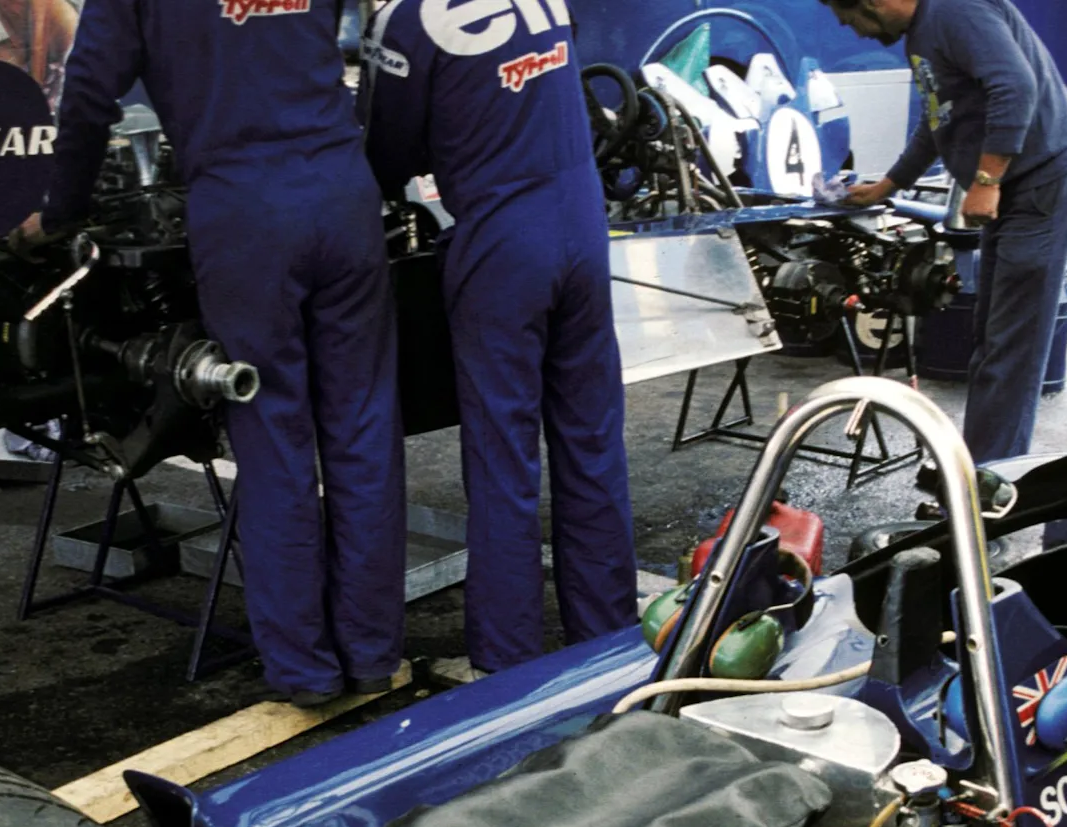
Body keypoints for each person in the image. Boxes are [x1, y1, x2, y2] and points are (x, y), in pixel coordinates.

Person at [40, 0, 404, 706]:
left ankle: (306, 671)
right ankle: (370, 654)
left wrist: (62, 209)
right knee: (363, 432)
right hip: (341, 193)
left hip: (244, 209)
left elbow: (88, 90)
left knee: (272, 440)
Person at [364, 0, 635, 676]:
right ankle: (608, 638)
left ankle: (508, 660)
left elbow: (383, 155)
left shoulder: (408, 19)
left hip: (503, 241)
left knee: (502, 457)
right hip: (582, 226)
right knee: (592, 443)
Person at [830, 0, 1067, 463]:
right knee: (994, 346)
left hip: (1044, 190)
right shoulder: (923, 31)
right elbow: (939, 120)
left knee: (1011, 353)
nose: (855, 31)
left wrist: (986, 180)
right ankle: (978, 474)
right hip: (1019, 194)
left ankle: (989, 483)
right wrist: (888, 186)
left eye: (849, 17)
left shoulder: (955, 9)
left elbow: (1015, 85)